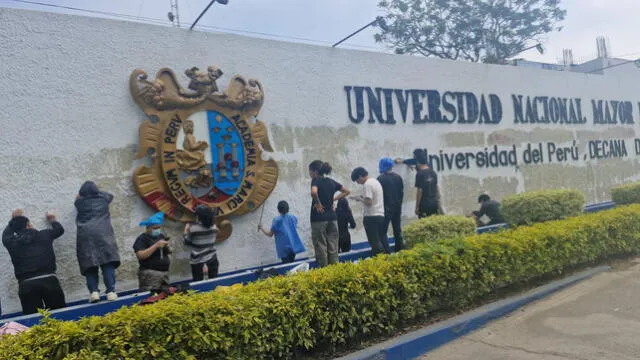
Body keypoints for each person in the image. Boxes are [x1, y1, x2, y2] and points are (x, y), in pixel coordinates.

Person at [2, 209, 66, 315]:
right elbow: (59, 230)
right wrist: (52, 220)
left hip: (26, 284)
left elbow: (5, 237)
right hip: (49, 280)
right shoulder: (44, 235)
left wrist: (13, 221)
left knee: (33, 321)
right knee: (59, 316)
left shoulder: (12, 242)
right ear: (28, 225)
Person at [74, 181, 121, 303]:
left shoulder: (79, 203)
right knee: (107, 262)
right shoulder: (104, 200)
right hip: (104, 235)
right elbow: (110, 195)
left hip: (85, 236)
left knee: (90, 265)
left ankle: (94, 292)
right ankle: (111, 291)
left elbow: (77, 198)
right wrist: (98, 190)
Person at [308, 160, 350, 267]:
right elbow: (347, 191)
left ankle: (324, 271)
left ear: (315, 171)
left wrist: (317, 203)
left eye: (310, 171)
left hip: (319, 219)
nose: (309, 174)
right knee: (333, 246)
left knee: (320, 245)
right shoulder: (331, 181)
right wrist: (333, 199)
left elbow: (313, 192)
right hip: (332, 218)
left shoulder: (315, 180)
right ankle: (335, 271)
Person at [351, 167, 389, 255]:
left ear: (360, 176)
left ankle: (379, 260)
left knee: (374, 241)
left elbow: (369, 202)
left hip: (371, 216)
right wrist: (362, 197)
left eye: (357, 180)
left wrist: (359, 199)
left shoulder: (367, 184)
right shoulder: (375, 182)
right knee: (382, 238)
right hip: (380, 214)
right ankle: (387, 258)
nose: (358, 183)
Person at [133, 212, 171, 292]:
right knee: (151, 297)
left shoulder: (161, 236)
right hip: (150, 275)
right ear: (148, 227)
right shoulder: (142, 239)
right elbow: (140, 255)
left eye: (159, 228)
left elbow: (166, 252)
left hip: (164, 273)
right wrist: (156, 245)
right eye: (155, 228)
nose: (157, 230)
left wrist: (167, 247)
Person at [183, 205, 219, 282]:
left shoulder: (193, 229)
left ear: (199, 216)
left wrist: (185, 230)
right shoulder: (214, 227)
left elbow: (186, 242)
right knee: (214, 282)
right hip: (212, 258)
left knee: (198, 283)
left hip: (197, 261)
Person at [377, 158, 405, 252]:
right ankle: (399, 248)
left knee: (382, 231)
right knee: (397, 229)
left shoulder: (380, 179)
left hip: (385, 208)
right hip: (397, 207)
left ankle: (386, 251)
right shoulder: (398, 177)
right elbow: (401, 193)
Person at [414, 149, 444, 218]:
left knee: (424, 226)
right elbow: (436, 188)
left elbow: (420, 191)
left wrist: (417, 207)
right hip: (434, 203)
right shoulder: (433, 172)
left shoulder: (419, 174)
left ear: (417, 161)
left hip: (424, 204)